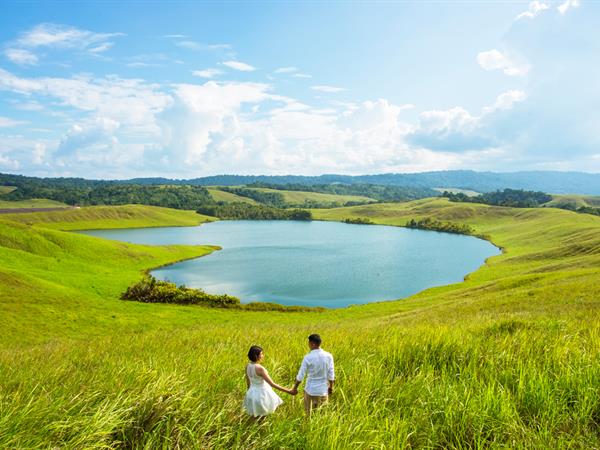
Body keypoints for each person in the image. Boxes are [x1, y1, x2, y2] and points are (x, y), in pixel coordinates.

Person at [243, 345, 294, 418]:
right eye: (261, 354)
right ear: (256, 356)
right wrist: (289, 391)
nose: (263, 356)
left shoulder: (248, 366)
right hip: (262, 395)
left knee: (254, 417)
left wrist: (249, 394)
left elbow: (248, 382)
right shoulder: (260, 369)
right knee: (264, 416)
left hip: (252, 393)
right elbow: (272, 384)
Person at [291, 334, 335, 415]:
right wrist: (331, 387)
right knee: (322, 415)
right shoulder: (329, 356)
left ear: (312, 344)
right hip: (323, 391)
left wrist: (295, 388)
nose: (308, 345)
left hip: (310, 390)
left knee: (308, 415)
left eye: (309, 343)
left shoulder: (308, 357)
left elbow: (300, 375)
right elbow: (331, 374)